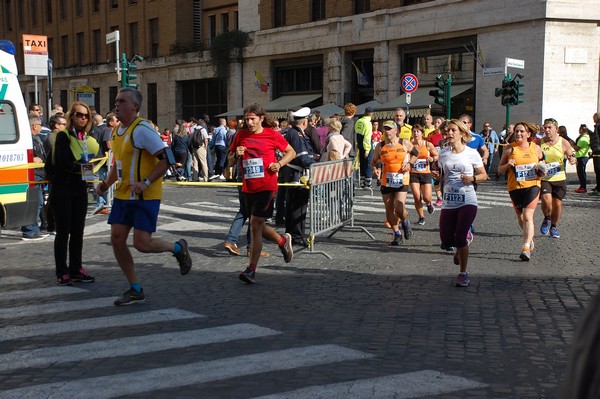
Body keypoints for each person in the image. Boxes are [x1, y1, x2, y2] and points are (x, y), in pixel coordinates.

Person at [96, 88, 192, 305]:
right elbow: (117, 165)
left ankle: (178, 248)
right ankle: (135, 288)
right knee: (117, 240)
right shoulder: (115, 131)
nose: (116, 105)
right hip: (123, 195)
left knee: (142, 244)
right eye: (116, 101)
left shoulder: (142, 130)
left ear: (135, 107)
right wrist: (105, 184)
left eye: (122, 101)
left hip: (144, 196)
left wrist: (146, 182)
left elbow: (166, 159)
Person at [229, 103, 296, 284]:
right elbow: (229, 161)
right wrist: (236, 154)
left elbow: (291, 152)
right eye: (247, 119)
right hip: (247, 186)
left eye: (253, 119)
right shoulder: (240, 135)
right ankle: (282, 241)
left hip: (267, 185)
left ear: (261, 119)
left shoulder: (272, 134)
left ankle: (251, 269)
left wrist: (279, 164)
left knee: (255, 224)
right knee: (256, 224)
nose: (249, 122)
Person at [47, 102, 99, 285]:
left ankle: (76, 269)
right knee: (63, 232)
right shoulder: (63, 136)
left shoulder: (85, 138)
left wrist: (89, 169)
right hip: (62, 189)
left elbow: (87, 162)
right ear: (71, 117)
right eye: (79, 114)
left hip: (79, 188)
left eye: (86, 115)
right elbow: (63, 162)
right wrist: (84, 168)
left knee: (78, 231)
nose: (83, 118)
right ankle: (62, 272)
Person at [434, 119, 487, 287]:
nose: (448, 133)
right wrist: (437, 177)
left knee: (460, 236)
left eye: (452, 130)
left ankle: (463, 273)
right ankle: (460, 245)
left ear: (462, 134)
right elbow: (443, 176)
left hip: (467, 199)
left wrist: (471, 178)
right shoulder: (443, 153)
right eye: (447, 131)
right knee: (446, 240)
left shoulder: (472, 153)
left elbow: (483, 175)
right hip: (449, 200)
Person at [497, 122, 544, 262]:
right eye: (516, 131)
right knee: (521, 218)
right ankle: (529, 238)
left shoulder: (536, 149)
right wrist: (507, 165)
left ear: (528, 134)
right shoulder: (510, 149)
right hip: (515, 187)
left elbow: (543, 166)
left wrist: (541, 169)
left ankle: (525, 247)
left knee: (528, 216)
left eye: (522, 131)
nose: (518, 134)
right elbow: (499, 170)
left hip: (533, 186)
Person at [370, 120, 414, 245]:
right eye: (385, 129)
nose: (387, 131)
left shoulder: (404, 143)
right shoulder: (380, 145)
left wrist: (409, 164)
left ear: (396, 131)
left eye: (389, 129)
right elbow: (373, 161)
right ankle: (397, 234)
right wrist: (374, 169)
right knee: (389, 209)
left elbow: (416, 153)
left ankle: (405, 222)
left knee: (399, 208)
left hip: (402, 178)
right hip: (387, 180)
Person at [281, 107, 316, 248]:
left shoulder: (296, 133)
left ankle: (292, 234)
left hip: (295, 174)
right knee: (298, 207)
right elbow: (302, 158)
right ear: (304, 121)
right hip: (296, 175)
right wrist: (317, 166)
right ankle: (296, 235)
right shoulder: (296, 135)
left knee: (295, 206)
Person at [538, 118, 577, 239]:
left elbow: (572, 154)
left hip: (559, 178)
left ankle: (554, 226)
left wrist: (572, 159)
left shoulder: (563, 142)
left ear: (556, 129)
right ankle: (547, 218)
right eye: (545, 128)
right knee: (546, 200)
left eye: (549, 127)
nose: (547, 130)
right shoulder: (540, 142)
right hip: (545, 177)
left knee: (557, 204)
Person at [21, 115, 49, 241]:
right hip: (33, 175)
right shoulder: (29, 140)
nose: (41, 128)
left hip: (39, 174)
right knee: (35, 203)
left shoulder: (36, 138)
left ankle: (34, 229)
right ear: (34, 126)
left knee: (38, 202)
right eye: (39, 125)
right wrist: (33, 159)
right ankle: (29, 230)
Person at [409, 124, 438, 225]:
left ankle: (429, 203)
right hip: (413, 173)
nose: (416, 133)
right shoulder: (409, 144)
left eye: (418, 131)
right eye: (414, 131)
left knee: (427, 197)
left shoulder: (427, 144)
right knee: (417, 196)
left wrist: (432, 159)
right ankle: (421, 217)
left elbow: (436, 155)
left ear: (422, 133)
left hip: (425, 173)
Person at [355, 106, 375, 188]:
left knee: (362, 164)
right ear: (372, 114)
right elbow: (367, 138)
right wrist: (367, 150)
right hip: (366, 146)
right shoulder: (368, 123)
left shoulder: (358, 121)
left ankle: (362, 181)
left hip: (359, 145)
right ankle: (368, 182)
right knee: (368, 164)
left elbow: (356, 134)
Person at [573, 124, 591, 193]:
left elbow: (577, 148)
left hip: (582, 156)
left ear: (581, 130)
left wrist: (572, 144)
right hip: (583, 156)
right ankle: (582, 186)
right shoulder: (587, 137)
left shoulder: (583, 138)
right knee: (581, 172)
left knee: (581, 172)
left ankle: (583, 187)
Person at [590, 113, 600, 196]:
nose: (593, 118)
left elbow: (596, 138)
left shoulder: (598, 126)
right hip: (596, 150)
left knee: (598, 170)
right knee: (597, 170)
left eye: (594, 117)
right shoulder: (597, 125)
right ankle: (598, 187)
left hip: (598, 151)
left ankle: (599, 190)